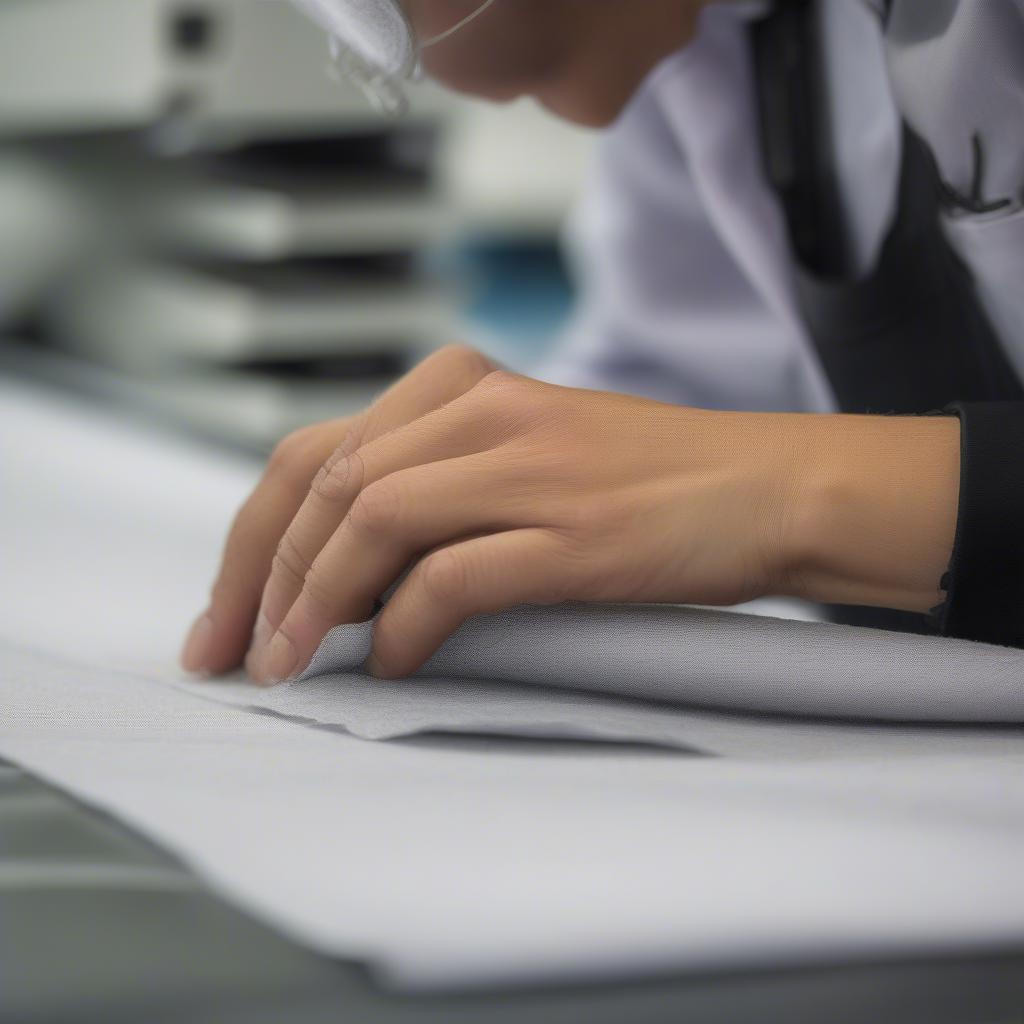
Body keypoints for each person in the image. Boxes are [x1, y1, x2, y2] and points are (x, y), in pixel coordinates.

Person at [180, 0, 1024, 686]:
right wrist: (479, 486)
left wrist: (791, 499)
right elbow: (680, 391)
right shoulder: (691, 38)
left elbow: (720, 469)